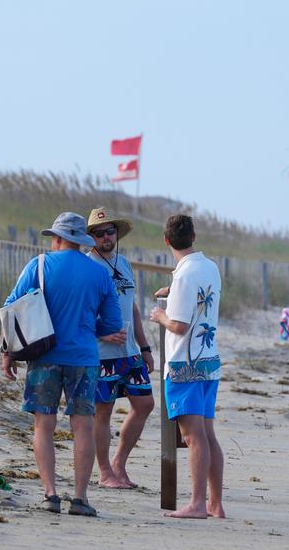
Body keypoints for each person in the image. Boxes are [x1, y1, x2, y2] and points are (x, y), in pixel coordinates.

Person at [1, 212, 121, 518]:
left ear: (56, 238)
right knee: (83, 425)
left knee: (44, 425)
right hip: (84, 358)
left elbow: (13, 310)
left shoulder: (39, 265)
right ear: (82, 241)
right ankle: (80, 498)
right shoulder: (99, 274)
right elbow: (111, 324)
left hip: (45, 356)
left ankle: (50, 494)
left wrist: (9, 352)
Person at [148, 214, 225, 520]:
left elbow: (178, 325)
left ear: (166, 241)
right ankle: (215, 503)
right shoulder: (209, 266)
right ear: (194, 236)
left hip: (185, 365)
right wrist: (174, 291)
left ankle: (196, 503)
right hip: (209, 360)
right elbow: (198, 296)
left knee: (193, 437)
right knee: (207, 434)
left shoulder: (183, 275)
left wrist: (159, 316)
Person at [85, 208, 155, 489]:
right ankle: (104, 473)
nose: (105, 237)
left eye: (109, 231)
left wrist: (145, 345)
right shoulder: (89, 266)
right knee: (103, 412)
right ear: (90, 238)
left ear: (117, 234)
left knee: (145, 404)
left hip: (129, 352)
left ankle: (119, 464)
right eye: (98, 233)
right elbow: (83, 311)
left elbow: (132, 306)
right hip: (102, 354)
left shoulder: (123, 263)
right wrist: (104, 332)